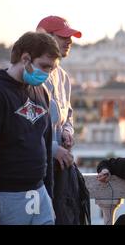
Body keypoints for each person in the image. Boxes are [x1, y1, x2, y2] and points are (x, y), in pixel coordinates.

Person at [0, 32, 61, 225]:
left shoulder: (41, 92)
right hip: (7, 196)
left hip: (39, 194)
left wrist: (48, 195)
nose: (47, 74)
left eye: (51, 69)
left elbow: (45, 145)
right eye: (44, 66)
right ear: (25, 58)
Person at [36, 15, 90, 225]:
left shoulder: (64, 77)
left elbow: (67, 115)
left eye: (70, 37)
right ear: (44, 38)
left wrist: (68, 131)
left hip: (60, 167)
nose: (70, 42)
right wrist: (52, 147)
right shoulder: (31, 76)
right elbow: (22, 129)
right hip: (37, 168)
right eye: (63, 37)